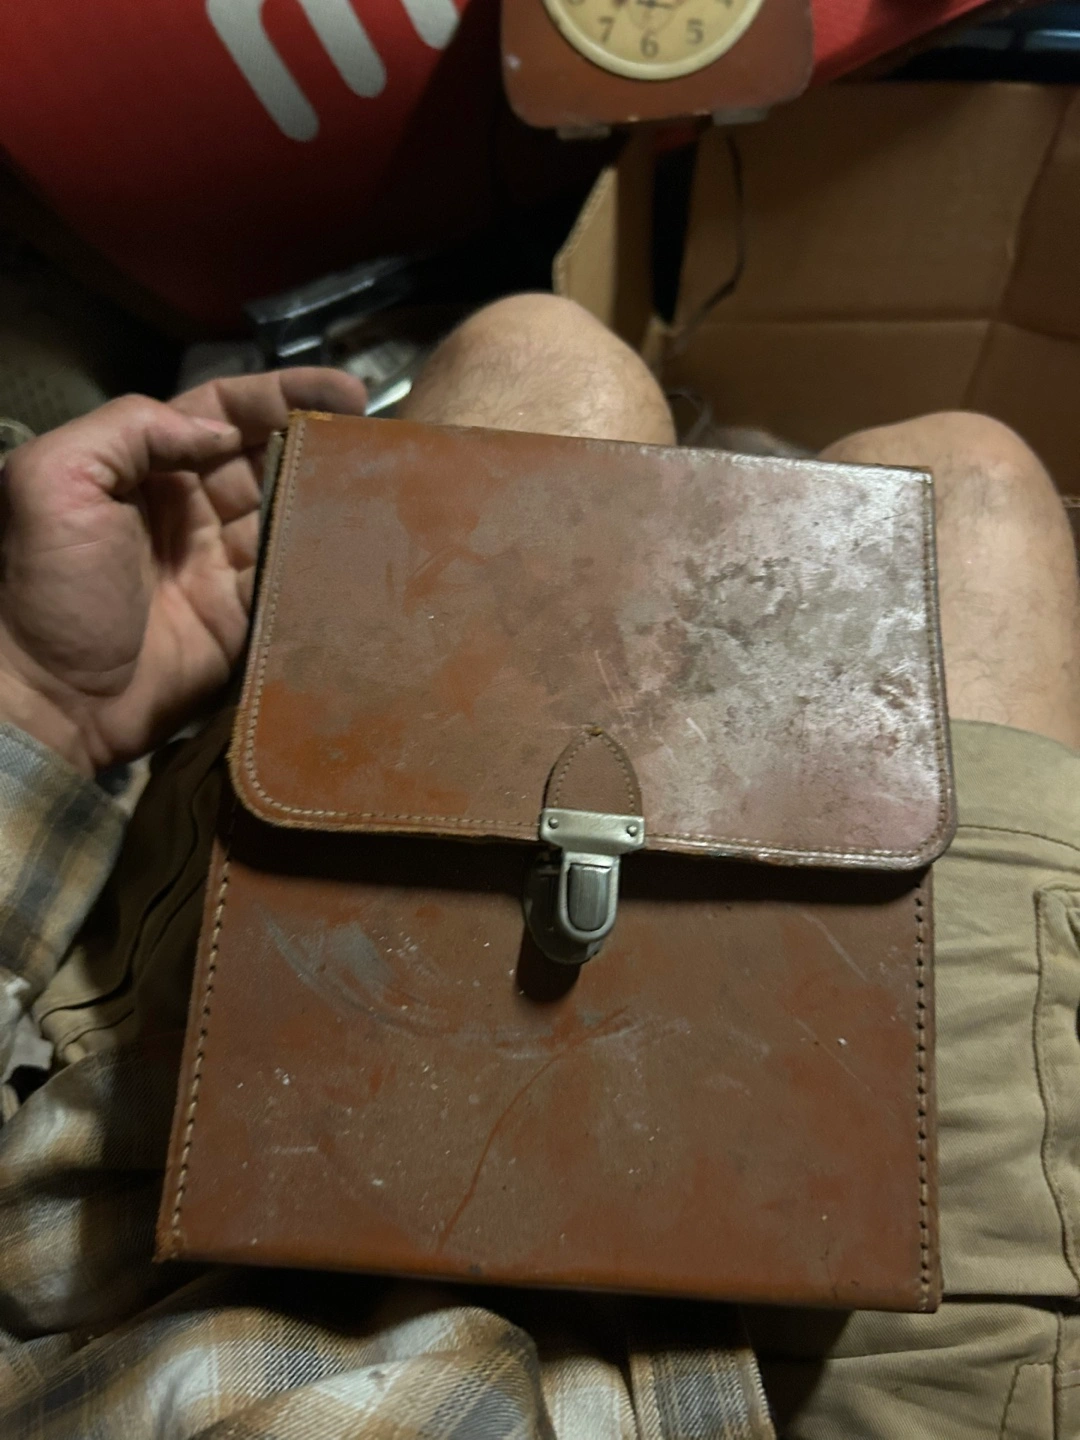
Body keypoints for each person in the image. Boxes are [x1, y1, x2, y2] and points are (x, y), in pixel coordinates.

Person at [0, 294, 1076, 1439]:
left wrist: (40, 700)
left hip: (180, 1238)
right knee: (970, 483)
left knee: (545, 358)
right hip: (791, 1377)